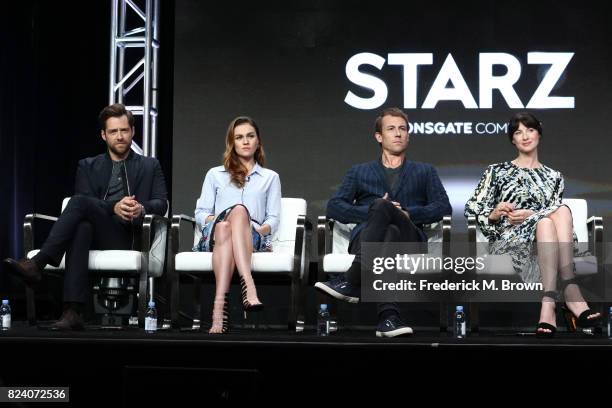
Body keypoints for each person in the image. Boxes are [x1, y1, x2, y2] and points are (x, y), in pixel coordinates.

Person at [3, 103, 168, 330]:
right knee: (82, 225)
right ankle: (73, 312)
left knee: (78, 206)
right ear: (103, 135)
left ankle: (38, 264)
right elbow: (86, 202)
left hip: (129, 235)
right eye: (113, 131)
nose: (120, 136)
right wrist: (113, 207)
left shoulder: (150, 165)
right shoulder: (88, 166)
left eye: (124, 130)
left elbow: (161, 203)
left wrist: (140, 208)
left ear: (133, 131)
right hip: (95, 233)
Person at [314, 107, 452, 337]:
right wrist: (373, 210)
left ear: (408, 135)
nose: (398, 133)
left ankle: (352, 279)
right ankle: (389, 318)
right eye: (391, 129)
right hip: (370, 237)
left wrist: (408, 213)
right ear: (379, 137)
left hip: (411, 239)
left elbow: (442, 207)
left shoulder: (425, 171)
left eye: (402, 129)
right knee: (385, 223)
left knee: (390, 219)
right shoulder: (359, 172)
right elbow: (335, 206)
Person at [464, 112, 601, 337]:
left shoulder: (554, 176)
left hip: (548, 242)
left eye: (529, 130)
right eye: (518, 132)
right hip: (513, 241)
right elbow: (471, 207)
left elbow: (554, 218)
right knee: (555, 213)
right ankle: (570, 289)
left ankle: (548, 302)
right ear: (512, 140)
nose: (525, 136)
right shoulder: (496, 171)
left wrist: (533, 215)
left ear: (538, 133)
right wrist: (494, 212)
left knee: (550, 219)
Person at [193, 116, 281, 334]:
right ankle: (248, 286)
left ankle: (218, 311)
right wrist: (226, 218)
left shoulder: (270, 177)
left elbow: (273, 218)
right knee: (229, 220)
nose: (245, 141)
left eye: (250, 136)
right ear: (232, 143)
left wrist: (260, 229)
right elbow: (200, 213)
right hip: (216, 234)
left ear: (258, 141)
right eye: (239, 137)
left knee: (234, 220)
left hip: (252, 236)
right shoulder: (215, 174)